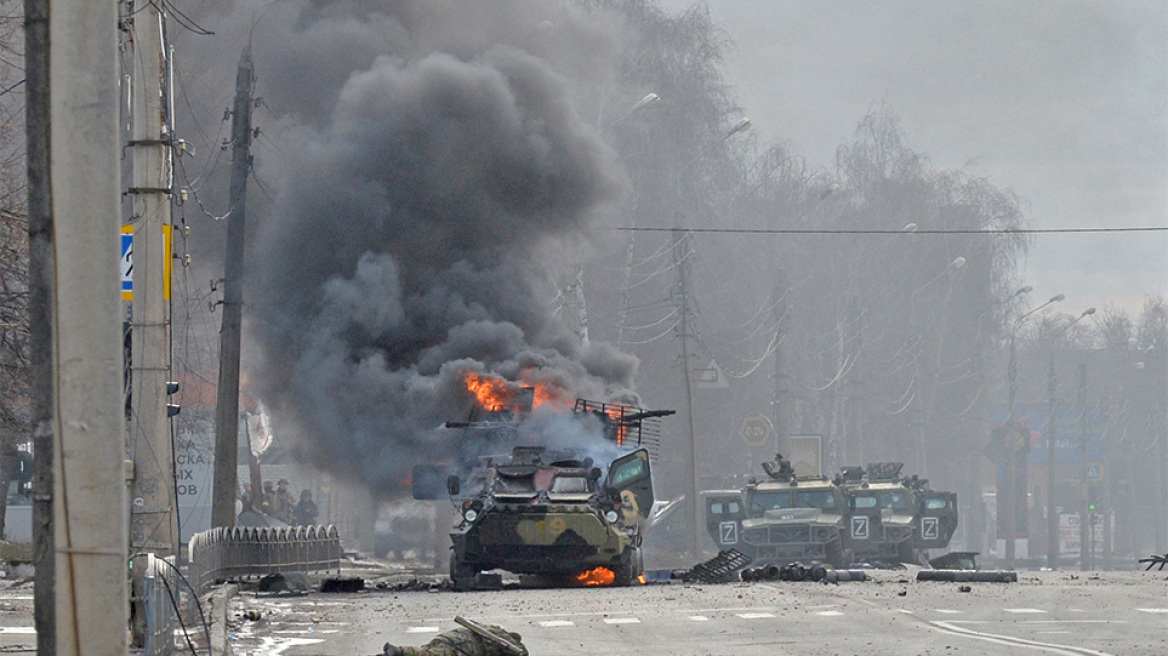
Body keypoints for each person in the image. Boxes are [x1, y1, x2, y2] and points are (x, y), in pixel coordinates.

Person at [380, 618, 527, 656]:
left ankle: (393, 653)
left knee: (425, 651)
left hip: (450, 638)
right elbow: (523, 653)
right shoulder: (508, 645)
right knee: (427, 654)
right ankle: (399, 651)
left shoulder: (493, 630)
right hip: (460, 647)